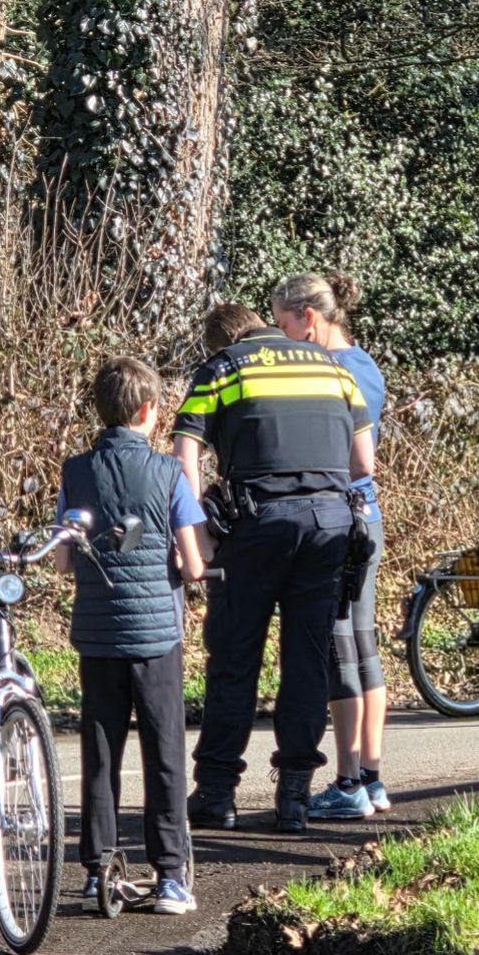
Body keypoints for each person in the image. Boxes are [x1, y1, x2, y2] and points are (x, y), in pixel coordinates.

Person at [173, 303, 374, 834]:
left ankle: (217, 794)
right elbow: (364, 463)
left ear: (222, 341)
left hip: (255, 526)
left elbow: (184, 450)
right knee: (307, 659)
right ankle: (294, 799)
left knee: (235, 659)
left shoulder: (223, 367)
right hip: (329, 526)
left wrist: (194, 532)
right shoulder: (334, 368)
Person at [56, 356, 208, 915]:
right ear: (149, 411)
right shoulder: (171, 473)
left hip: (97, 634)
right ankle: (170, 874)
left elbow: (65, 560)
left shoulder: (75, 471)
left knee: (101, 750)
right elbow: (193, 566)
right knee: (164, 750)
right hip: (156, 636)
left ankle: (97, 866)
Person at [268, 271, 392, 821]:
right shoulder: (366, 364)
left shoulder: (329, 370)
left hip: (340, 519)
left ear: (308, 318)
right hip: (369, 517)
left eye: (283, 324)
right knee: (363, 648)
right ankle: (371, 777)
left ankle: (347, 782)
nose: (282, 337)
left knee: (341, 649)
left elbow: (345, 453)